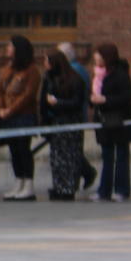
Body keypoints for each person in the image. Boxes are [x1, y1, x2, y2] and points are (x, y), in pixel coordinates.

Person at [0, 35, 42, 201]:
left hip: (23, 116)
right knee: (14, 150)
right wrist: (0, 109)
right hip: (8, 116)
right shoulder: (8, 68)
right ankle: (18, 181)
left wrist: (11, 110)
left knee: (23, 149)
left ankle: (28, 183)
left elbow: (28, 95)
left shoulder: (31, 70)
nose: (7, 49)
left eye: (10, 46)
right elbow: (0, 90)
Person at [90, 41, 131, 202]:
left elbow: (126, 97)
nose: (96, 59)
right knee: (107, 155)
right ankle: (104, 190)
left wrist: (105, 99)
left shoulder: (121, 74)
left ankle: (122, 189)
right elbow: (95, 95)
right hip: (104, 120)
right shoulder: (98, 75)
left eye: (99, 56)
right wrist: (94, 100)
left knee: (121, 155)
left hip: (119, 121)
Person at [41, 50, 87, 201]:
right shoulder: (49, 79)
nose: (45, 65)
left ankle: (69, 187)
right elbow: (43, 100)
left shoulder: (75, 80)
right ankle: (58, 186)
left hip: (71, 122)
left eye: (47, 62)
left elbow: (77, 102)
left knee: (70, 156)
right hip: (56, 122)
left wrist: (58, 103)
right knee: (57, 157)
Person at [58, 41, 99, 191]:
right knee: (71, 149)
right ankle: (81, 174)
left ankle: (82, 175)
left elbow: (77, 94)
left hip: (74, 115)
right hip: (73, 114)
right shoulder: (76, 69)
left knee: (72, 149)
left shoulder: (75, 71)